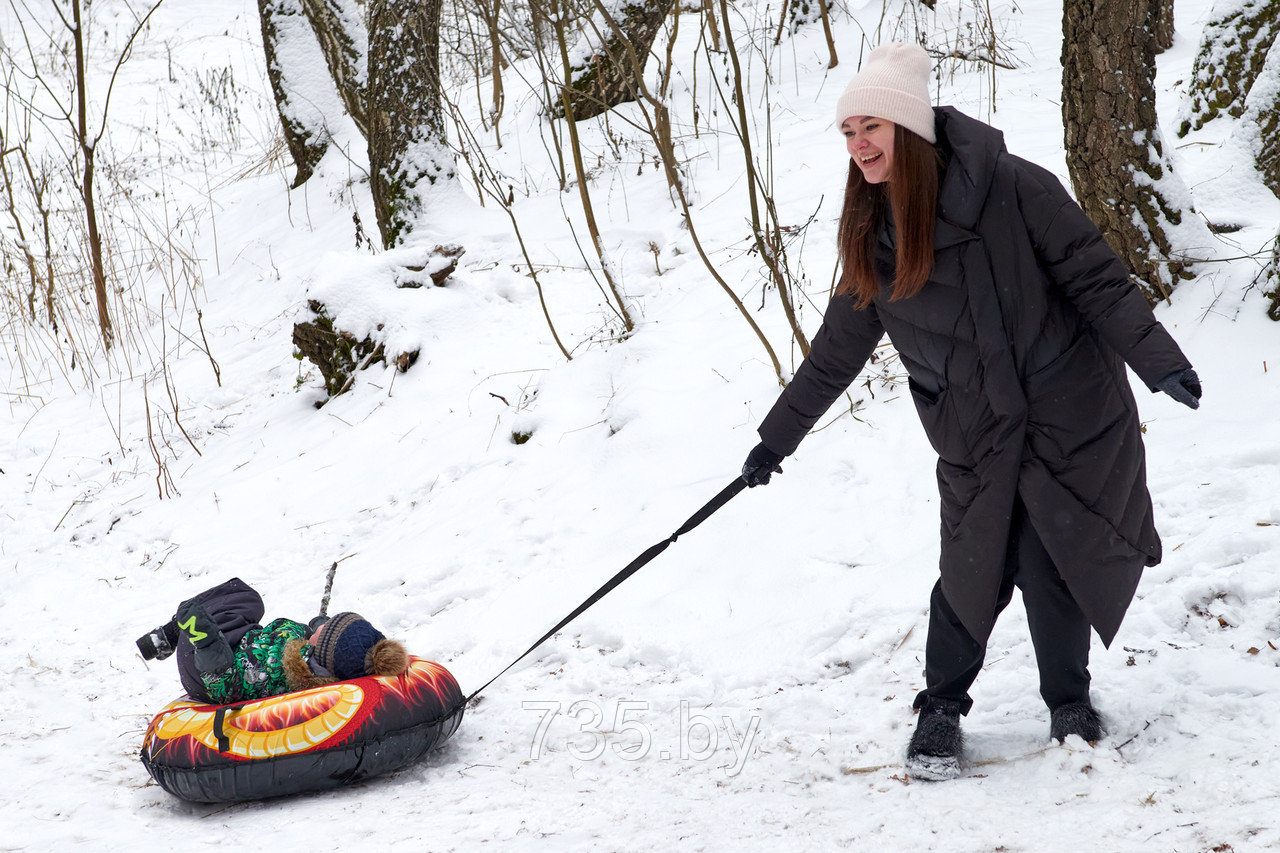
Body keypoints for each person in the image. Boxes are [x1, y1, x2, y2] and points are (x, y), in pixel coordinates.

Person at [739, 42, 1201, 781]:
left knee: (1054, 557)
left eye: (871, 128)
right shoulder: (874, 236)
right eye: (847, 132)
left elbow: (1096, 278)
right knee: (969, 570)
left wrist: (1161, 362)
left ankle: (1069, 702)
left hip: (1062, 411)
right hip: (973, 430)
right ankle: (941, 710)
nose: (858, 146)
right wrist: (775, 441)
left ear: (909, 130)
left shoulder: (1016, 188)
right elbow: (834, 352)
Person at [136, 577, 410, 705]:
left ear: (320, 648)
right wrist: (316, 626)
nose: (317, 629)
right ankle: (173, 633)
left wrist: (205, 641)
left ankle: (172, 633)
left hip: (207, 667)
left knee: (203, 609)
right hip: (242, 638)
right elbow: (317, 636)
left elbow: (226, 687)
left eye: (323, 631)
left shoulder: (278, 676)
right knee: (247, 596)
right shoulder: (314, 656)